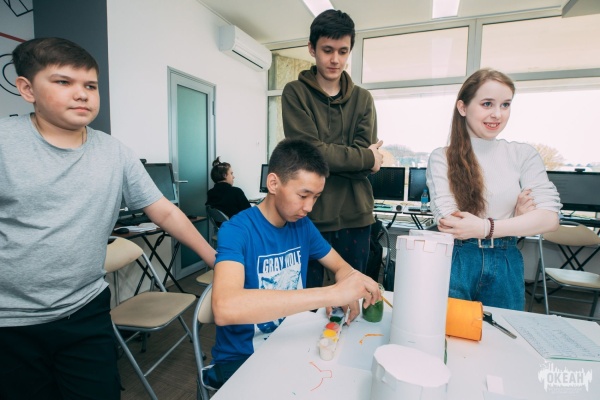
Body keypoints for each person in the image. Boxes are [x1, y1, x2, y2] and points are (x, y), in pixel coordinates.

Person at [0, 37, 216, 399]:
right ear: (27, 89)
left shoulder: (115, 152)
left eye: (90, 85)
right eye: (63, 82)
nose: (81, 94)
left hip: (85, 308)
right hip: (12, 321)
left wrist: (215, 258)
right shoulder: (5, 143)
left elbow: (163, 210)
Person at [207, 138, 381, 389]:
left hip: (288, 341)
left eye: (316, 197)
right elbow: (225, 308)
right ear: (273, 183)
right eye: (303, 195)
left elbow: (341, 266)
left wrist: (349, 279)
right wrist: (332, 293)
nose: (309, 207)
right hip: (244, 358)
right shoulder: (236, 230)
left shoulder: (302, 225)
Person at [426, 68, 561, 311]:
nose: (497, 114)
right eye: (487, 104)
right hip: (456, 259)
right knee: (450, 331)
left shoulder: (523, 154)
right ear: (463, 107)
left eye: (505, 104)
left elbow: (549, 218)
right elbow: (451, 223)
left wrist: (484, 227)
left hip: (506, 261)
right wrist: (516, 221)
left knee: (503, 332)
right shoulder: (442, 157)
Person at [282, 9, 383, 289]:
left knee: (353, 296)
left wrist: (347, 159)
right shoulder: (295, 92)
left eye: (343, 51)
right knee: (307, 299)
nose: (335, 59)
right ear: (312, 49)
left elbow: (359, 167)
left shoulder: (363, 99)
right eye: (327, 50)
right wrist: (367, 157)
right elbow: (309, 156)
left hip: (356, 215)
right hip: (309, 214)